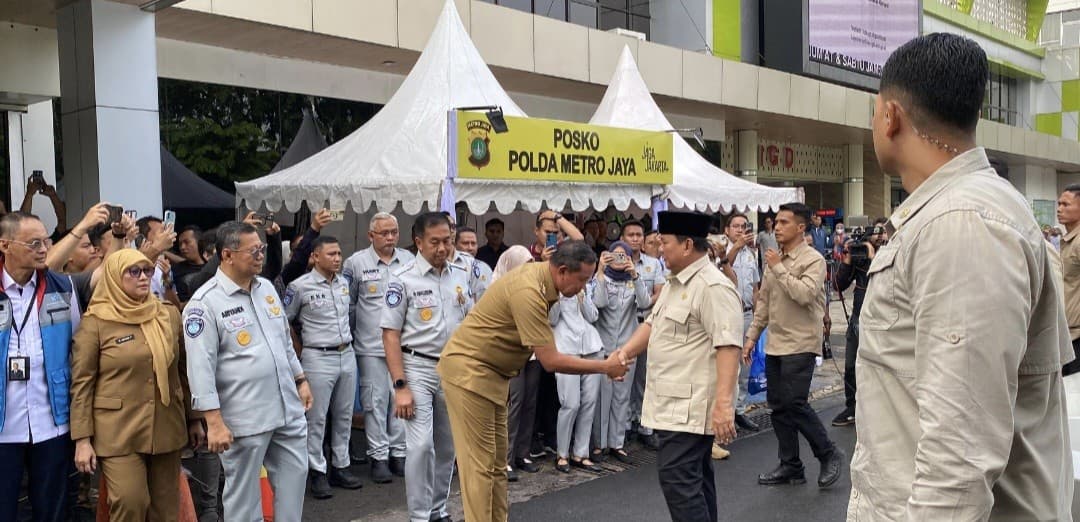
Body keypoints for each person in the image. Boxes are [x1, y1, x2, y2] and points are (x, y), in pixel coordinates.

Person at [850, 33, 1074, 520]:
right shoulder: (963, 211)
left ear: (890, 117)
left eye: (873, 112)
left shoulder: (961, 222)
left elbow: (960, 456)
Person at [437, 241, 630, 522]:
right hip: (469, 373)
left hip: (493, 374)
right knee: (480, 467)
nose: (584, 287)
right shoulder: (530, 290)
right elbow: (550, 360)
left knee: (495, 465)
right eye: (582, 280)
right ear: (562, 271)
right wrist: (605, 366)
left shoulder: (543, 280)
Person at [611, 210, 743, 522]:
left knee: (679, 482)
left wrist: (724, 404)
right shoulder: (675, 282)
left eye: (664, 242)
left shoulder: (712, 286)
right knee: (695, 481)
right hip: (671, 404)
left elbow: (728, 345)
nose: (658, 247)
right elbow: (653, 324)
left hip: (691, 408)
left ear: (686, 245)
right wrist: (623, 354)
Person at [183, 221, 314, 521]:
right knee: (243, 501)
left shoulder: (266, 288)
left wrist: (300, 379)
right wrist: (213, 422)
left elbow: (283, 340)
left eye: (263, 249)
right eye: (253, 250)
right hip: (245, 418)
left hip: (286, 409)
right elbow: (199, 368)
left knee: (294, 483)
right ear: (227, 255)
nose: (261, 255)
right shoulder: (204, 304)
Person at [70, 249, 197, 521]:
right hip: (117, 430)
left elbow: (183, 370)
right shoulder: (96, 321)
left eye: (147, 271)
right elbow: (82, 384)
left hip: (166, 424)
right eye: (134, 271)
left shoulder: (167, 314)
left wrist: (194, 418)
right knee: (130, 502)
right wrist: (82, 439)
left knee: (166, 510)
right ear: (115, 277)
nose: (143, 277)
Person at [743, 203, 843, 489]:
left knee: (796, 403)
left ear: (801, 227)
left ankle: (828, 453)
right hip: (775, 343)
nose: (777, 227)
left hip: (801, 342)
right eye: (776, 222)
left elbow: (805, 294)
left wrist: (779, 269)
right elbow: (764, 303)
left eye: (784, 222)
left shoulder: (813, 259)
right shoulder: (774, 259)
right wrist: (751, 337)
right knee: (778, 407)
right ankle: (791, 466)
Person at [381, 212, 473, 522]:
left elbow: (471, 322)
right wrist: (400, 386)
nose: (442, 248)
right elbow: (390, 335)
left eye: (447, 240)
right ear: (419, 242)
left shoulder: (461, 273)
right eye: (434, 242)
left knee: (448, 447)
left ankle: (438, 509)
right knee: (421, 448)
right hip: (416, 367)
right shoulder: (402, 277)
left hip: (453, 369)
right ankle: (419, 517)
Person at [0, 212, 82, 522]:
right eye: (34, 242)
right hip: (4, 425)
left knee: (53, 509)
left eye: (46, 240)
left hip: (52, 420)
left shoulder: (61, 287)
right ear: (5, 245)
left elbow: (77, 344)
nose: (44, 248)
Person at [284, 235, 363, 499]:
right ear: (315, 257)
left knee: (344, 415)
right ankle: (316, 470)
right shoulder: (300, 287)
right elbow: (285, 322)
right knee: (316, 418)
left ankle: (341, 466)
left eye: (339, 254)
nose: (337, 259)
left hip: (346, 353)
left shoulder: (344, 284)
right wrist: (298, 351)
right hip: (318, 356)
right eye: (331, 254)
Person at [341, 212, 413, 483]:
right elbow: (348, 305)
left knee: (401, 401)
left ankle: (398, 453)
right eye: (384, 233)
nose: (391, 237)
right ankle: (378, 456)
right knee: (374, 401)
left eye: (394, 232)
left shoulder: (408, 260)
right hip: (370, 346)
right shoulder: (355, 263)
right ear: (371, 235)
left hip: (403, 345)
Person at [590, 241, 648, 464]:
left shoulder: (633, 281)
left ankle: (617, 443)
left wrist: (635, 275)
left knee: (622, 397)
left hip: (627, 346)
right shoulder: (601, 280)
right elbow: (599, 303)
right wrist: (601, 271)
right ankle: (599, 444)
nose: (620, 260)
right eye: (616, 255)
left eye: (624, 256)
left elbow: (643, 304)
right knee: (602, 398)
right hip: (605, 348)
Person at [830, 217, 888, 427]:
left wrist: (873, 258)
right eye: (876, 232)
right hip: (857, 317)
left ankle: (879, 407)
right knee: (851, 364)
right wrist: (847, 262)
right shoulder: (858, 255)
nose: (879, 236)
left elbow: (884, 283)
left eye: (883, 233)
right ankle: (852, 407)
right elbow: (838, 285)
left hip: (882, 320)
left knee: (878, 366)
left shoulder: (890, 254)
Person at [622, 220, 666, 450]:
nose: (636, 239)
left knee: (646, 377)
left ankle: (644, 424)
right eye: (631, 235)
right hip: (625, 324)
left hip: (648, 322)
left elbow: (660, 291)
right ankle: (626, 424)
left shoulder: (654, 264)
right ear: (622, 238)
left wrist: (647, 301)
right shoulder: (618, 263)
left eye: (639, 234)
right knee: (626, 376)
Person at [551, 285, 603, 473]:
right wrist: (558, 296)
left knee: (589, 402)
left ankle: (580, 453)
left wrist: (582, 296)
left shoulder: (584, 287)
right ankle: (562, 454)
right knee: (570, 404)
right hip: (565, 349)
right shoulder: (552, 288)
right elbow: (551, 319)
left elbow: (593, 316)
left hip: (591, 347)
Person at [500, 246, 541, 481]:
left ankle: (522, 454)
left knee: (529, 401)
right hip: (510, 352)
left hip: (533, 351)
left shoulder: (532, 286)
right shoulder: (498, 286)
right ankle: (505, 458)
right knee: (513, 403)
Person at [723, 213, 761, 434]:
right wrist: (735, 247)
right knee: (729, 367)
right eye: (735, 226)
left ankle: (739, 411)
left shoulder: (751, 254)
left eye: (743, 226)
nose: (740, 230)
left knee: (745, 364)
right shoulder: (722, 250)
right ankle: (726, 411)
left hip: (747, 314)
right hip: (728, 315)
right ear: (727, 229)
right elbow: (723, 265)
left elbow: (755, 288)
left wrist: (757, 317)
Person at [1061, 185, 1080, 377]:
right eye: (1059, 204)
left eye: (1066, 204)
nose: (1059, 209)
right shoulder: (1067, 241)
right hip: (1067, 335)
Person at [173, 225, 205, 302]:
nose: (182, 247)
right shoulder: (175, 270)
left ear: (199, 242)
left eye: (187, 242)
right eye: (180, 244)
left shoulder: (214, 267)